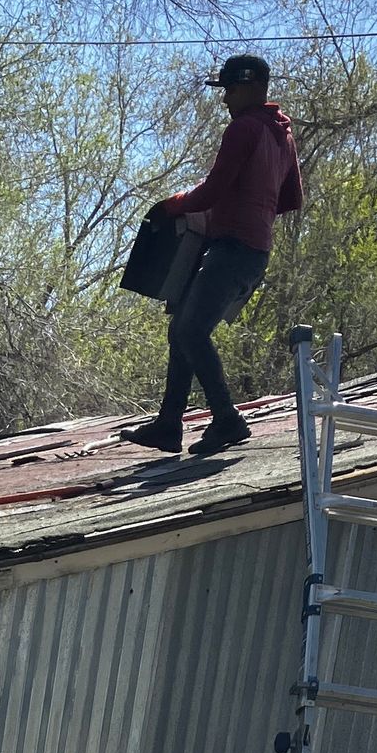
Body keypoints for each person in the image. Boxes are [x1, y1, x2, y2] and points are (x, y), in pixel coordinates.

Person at [123, 51, 303, 456]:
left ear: (252, 88)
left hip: (234, 248)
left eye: (231, 90)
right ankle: (169, 425)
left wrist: (173, 205)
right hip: (253, 249)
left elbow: (213, 189)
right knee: (181, 330)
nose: (225, 100)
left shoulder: (243, 129)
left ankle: (227, 419)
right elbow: (291, 197)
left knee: (190, 331)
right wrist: (252, 210)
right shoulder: (281, 134)